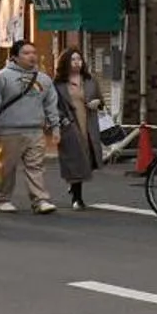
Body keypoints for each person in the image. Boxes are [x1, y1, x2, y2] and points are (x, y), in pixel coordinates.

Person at [0, 38, 61, 214]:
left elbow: (51, 105)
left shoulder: (44, 79)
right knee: (7, 167)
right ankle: (2, 198)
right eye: (26, 53)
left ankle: (40, 200)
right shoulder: (2, 77)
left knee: (36, 167)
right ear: (14, 57)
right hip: (8, 130)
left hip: (35, 130)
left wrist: (55, 127)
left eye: (34, 53)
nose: (32, 56)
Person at [54, 49, 104, 209]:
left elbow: (101, 101)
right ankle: (77, 197)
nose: (77, 62)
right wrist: (63, 119)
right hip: (69, 125)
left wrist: (97, 103)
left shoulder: (90, 80)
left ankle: (73, 184)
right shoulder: (58, 84)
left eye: (79, 59)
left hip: (88, 124)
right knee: (75, 160)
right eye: (73, 59)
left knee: (87, 160)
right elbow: (53, 105)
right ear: (65, 62)